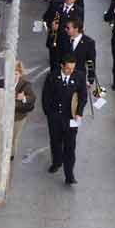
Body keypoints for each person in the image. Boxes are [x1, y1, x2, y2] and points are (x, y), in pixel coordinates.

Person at [41, 54, 87, 185]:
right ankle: (56, 162)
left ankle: (69, 174)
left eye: (73, 68)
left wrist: (79, 113)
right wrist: (49, 114)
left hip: (71, 118)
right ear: (62, 66)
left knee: (70, 147)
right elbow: (46, 97)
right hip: (55, 118)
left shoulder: (79, 77)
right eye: (68, 68)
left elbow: (83, 97)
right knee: (55, 143)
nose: (71, 71)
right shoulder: (52, 76)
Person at [12, 61, 36, 161]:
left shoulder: (25, 85)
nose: (13, 76)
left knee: (13, 136)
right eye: (11, 72)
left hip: (18, 116)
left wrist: (24, 97)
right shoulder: (2, 82)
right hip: (6, 115)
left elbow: (33, 98)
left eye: (16, 73)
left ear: (20, 74)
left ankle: (11, 155)